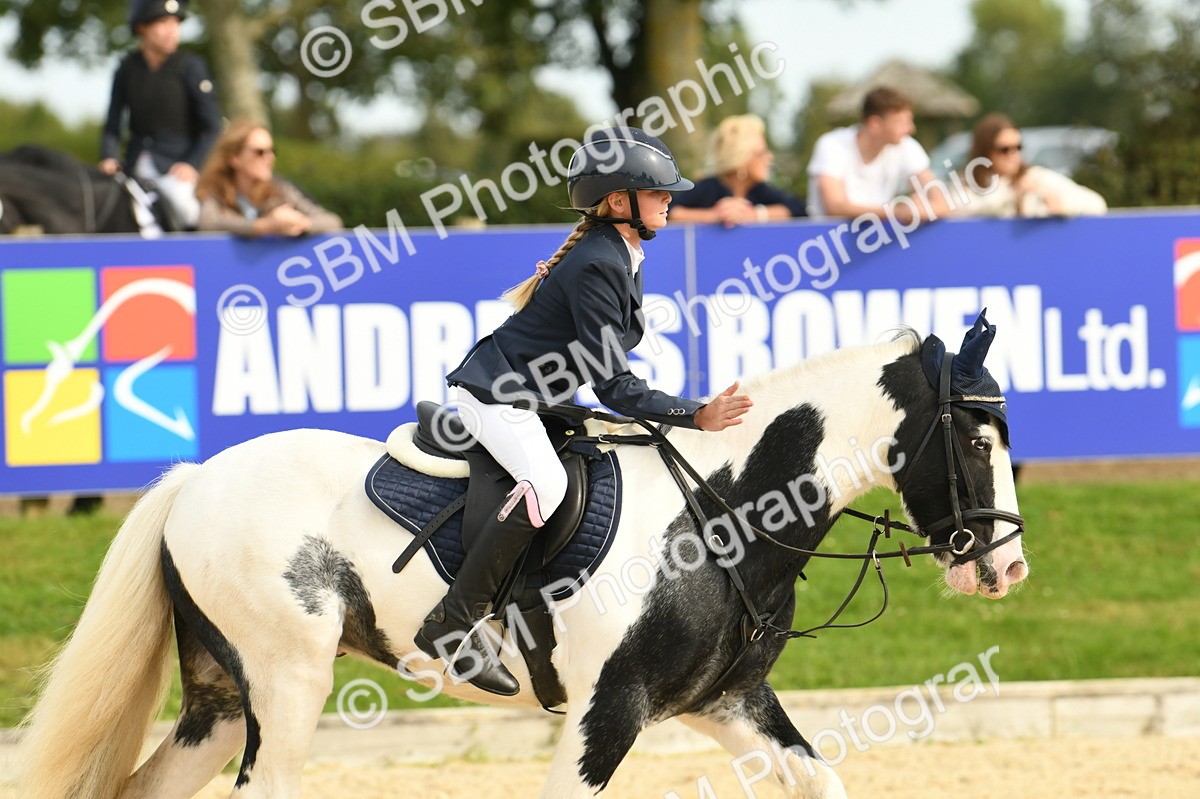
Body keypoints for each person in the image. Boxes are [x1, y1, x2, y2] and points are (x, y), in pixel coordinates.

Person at [416, 127, 754, 697]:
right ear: (619, 202)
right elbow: (616, 388)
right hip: (498, 396)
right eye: (660, 192)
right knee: (545, 485)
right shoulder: (599, 261)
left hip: (533, 394)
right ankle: (453, 625)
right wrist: (696, 414)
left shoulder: (620, 251)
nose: (671, 198)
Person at [99, 0, 221, 229]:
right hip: (134, 166)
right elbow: (112, 124)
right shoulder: (127, 68)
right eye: (163, 23)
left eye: (176, 23)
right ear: (142, 28)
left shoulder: (190, 66)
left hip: (176, 168)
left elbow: (212, 126)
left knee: (187, 208)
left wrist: (192, 164)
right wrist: (109, 156)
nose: (172, 31)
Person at [806, 86, 947, 221]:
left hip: (876, 239)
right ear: (875, 124)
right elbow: (835, 206)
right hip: (828, 241)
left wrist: (920, 210)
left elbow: (941, 201)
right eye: (901, 122)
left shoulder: (906, 145)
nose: (911, 129)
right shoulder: (832, 144)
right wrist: (899, 211)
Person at [195, 120, 343, 237]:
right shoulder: (214, 190)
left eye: (272, 151)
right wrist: (264, 226)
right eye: (260, 152)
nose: (269, 158)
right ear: (233, 158)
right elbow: (208, 224)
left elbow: (332, 221)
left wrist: (302, 224)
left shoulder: (281, 190)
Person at [958, 113, 1108, 218]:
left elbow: (1097, 204)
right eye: (1004, 149)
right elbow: (967, 211)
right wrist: (1015, 196)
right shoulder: (967, 185)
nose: (1013, 155)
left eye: (1018, 147)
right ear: (985, 151)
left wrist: (1062, 204)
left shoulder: (1036, 177)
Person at [669, 114, 805, 225]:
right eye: (761, 153)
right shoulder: (709, 187)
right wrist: (717, 215)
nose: (770, 157)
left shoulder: (759, 189)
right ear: (741, 160)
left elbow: (798, 209)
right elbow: (669, 211)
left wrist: (754, 214)